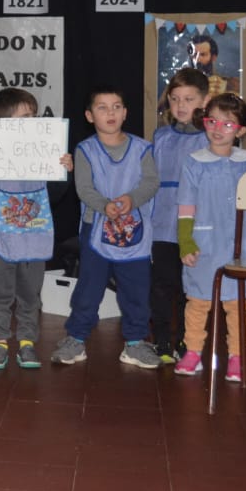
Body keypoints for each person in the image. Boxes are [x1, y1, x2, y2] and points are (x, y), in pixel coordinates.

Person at [174, 93, 246, 382]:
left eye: (227, 123)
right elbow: (186, 206)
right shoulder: (194, 162)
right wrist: (186, 241)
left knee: (237, 303)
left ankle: (237, 356)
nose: (218, 129)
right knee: (198, 300)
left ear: (241, 130)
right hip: (205, 244)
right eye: (212, 121)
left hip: (242, 245)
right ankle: (193, 352)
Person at [50, 87, 160, 369]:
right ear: (89, 116)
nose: (110, 113)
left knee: (136, 289)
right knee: (89, 288)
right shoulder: (85, 150)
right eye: (102, 107)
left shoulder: (143, 148)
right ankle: (76, 339)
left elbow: (151, 183)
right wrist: (104, 205)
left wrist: (131, 199)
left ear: (125, 113)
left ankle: (135, 343)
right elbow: (84, 188)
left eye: (116, 107)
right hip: (95, 230)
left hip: (134, 233)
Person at [0, 87, 73, 371]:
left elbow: (54, 196)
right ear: (4, 123)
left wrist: (63, 173)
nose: (33, 122)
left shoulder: (43, 152)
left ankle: (27, 342)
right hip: (0, 237)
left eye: (34, 116)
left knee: (30, 294)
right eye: (25, 116)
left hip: (34, 237)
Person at [149, 68, 210, 362]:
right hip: (162, 224)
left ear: (205, 100)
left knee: (192, 288)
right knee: (162, 285)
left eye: (189, 99)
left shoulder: (211, 138)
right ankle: (161, 340)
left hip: (196, 227)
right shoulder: (160, 136)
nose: (181, 105)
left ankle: (188, 341)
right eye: (175, 99)